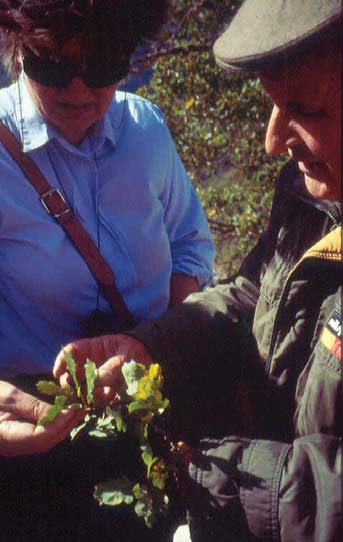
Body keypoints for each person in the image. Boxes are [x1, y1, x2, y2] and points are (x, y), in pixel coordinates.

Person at [54, 1, 342, 541]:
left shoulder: (145, 130)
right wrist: (149, 347)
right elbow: (253, 294)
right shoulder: (311, 201)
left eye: (307, 110)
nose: (273, 140)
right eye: (273, 106)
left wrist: (227, 477)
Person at [0, 1, 213, 540]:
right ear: (16, 50)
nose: (77, 92)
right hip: (36, 441)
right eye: (50, 64)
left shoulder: (146, 130)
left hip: (152, 415)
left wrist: (161, 340)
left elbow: (189, 241)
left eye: (101, 68)